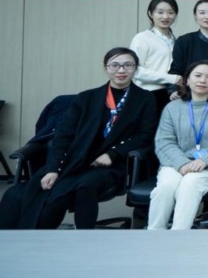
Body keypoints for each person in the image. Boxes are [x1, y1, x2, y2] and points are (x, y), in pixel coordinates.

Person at [0, 47, 156, 229]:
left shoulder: (145, 99)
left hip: (112, 166)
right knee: (22, 194)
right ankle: (28, 236)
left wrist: (113, 154)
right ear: (106, 68)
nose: (121, 70)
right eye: (114, 65)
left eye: (128, 65)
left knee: (82, 186)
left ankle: (84, 235)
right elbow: (63, 136)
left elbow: (145, 135)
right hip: (74, 161)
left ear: (136, 68)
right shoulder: (86, 98)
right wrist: (53, 169)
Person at [147, 61, 208, 230]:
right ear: (187, 80)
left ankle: (179, 236)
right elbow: (164, 141)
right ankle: (154, 234)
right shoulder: (172, 108)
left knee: (190, 184)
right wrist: (182, 163)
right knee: (165, 188)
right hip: (175, 164)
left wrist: (206, 160)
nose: (203, 80)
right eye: (198, 76)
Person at [130, 0, 185, 112]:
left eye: (171, 12)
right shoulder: (142, 38)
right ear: (150, 14)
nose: (165, 16)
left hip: (172, 94)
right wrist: (170, 78)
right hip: (149, 93)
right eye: (160, 12)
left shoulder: (176, 40)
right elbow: (135, 70)